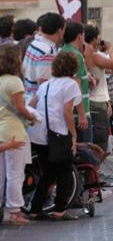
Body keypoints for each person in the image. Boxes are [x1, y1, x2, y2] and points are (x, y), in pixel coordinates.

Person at [27, 51, 81, 221]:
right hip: (58, 133)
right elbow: (67, 112)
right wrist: (73, 135)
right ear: (73, 67)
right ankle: (59, 210)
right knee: (65, 171)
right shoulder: (71, 84)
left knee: (48, 173)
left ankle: (35, 209)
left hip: (38, 135)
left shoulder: (46, 85)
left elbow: (31, 105)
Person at [0, 44, 37, 225]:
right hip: (14, 131)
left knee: (1, 174)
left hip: (1, 130)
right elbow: (20, 108)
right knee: (16, 174)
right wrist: (32, 117)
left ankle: (2, 210)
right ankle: (14, 212)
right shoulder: (14, 81)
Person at [84, 26, 113, 152]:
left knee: (89, 139)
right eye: (98, 37)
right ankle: (95, 169)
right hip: (97, 102)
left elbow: (107, 70)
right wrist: (110, 49)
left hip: (88, 100)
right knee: (100, 141)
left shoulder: (81, 53)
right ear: (94, 39)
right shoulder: (95, 55)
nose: (101, 40)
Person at [23, 12, 65, 100]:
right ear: (60, 30)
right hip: (39, 103)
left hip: (28, 95)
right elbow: (44, 83)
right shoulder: (47, 51)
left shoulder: (35, 43)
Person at [59, 22, 90, 142]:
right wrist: (82, 114)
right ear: (79, 36)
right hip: (78, 112)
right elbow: (75, 87)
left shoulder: (63, 51)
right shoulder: (76, 55)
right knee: (86, 152)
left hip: (68, 110)